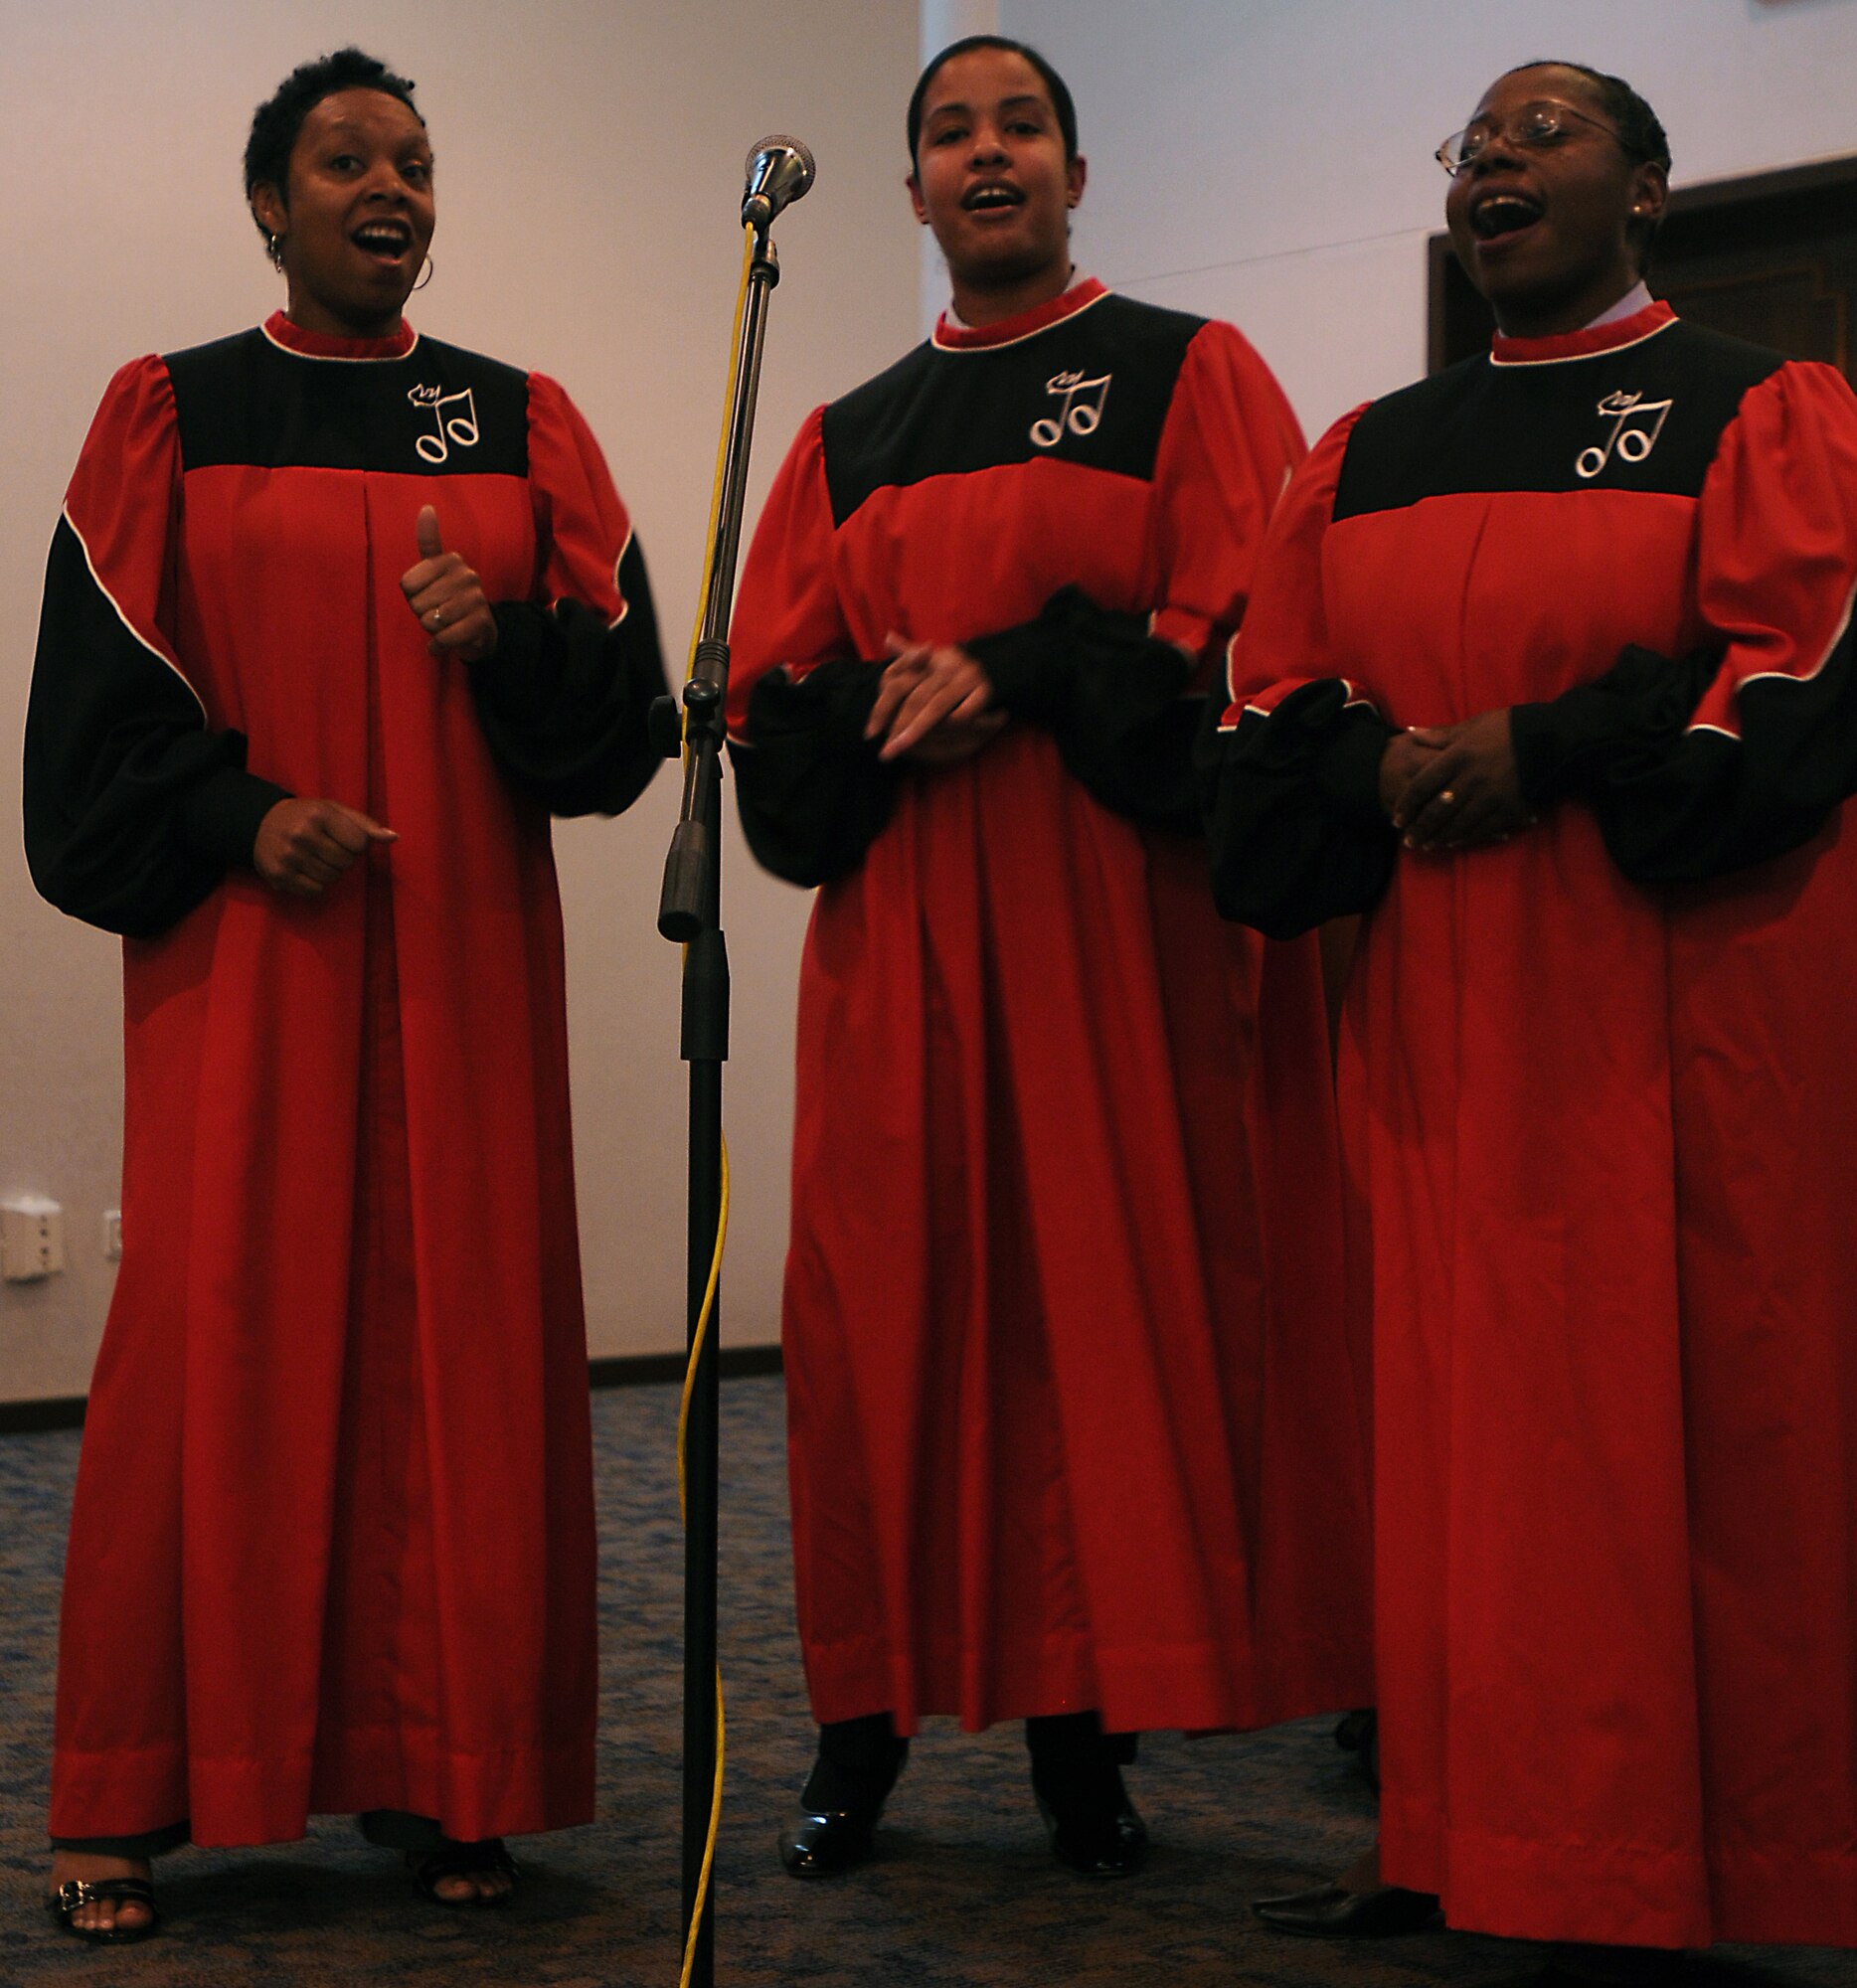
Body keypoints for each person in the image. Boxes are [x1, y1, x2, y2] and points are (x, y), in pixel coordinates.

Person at [1205, 60, 1857, 1987]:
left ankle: (1687, 1855)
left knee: (1677, 1436)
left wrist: (1540, 747)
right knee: (1441, 1442)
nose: (1494, 157)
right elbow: (1268, 692)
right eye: (1470, 140)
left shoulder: (1761, 407)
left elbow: (1794, 660)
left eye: (1543, 129)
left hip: (1673, 1004)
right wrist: (1387, 760)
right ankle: (1454, 1829)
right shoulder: (1366, 448)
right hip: (1430, 1031)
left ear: (1646, 190)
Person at [26, 48, 665, 1941]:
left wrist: (511, 639)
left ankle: (452, 1778)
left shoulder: (522, 423)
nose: (389, 189)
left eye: (415, 163)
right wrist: (238, 813)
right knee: (206, 1357)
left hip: (465, 974)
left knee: (459, 1359)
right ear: (268, 202)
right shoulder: (170, 413)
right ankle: (128, 1799)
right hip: (249, 973)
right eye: (343, 161)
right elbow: (89, 733)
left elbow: (620, 727)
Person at [727, 34, 1371, 1883]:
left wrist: (1013, 666)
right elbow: (773, 693)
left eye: (1021, 127)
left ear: (1077, 176)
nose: (986, 154)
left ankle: (1090, 1740)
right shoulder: (849, 429)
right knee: (884, 1329)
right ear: (915, 189)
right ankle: (862, 1727)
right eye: (950, 133)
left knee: (1086, 1328)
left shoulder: (1185, 371)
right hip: (904, 954)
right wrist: (883, 698)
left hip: (1114, 941)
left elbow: (1251, 630)